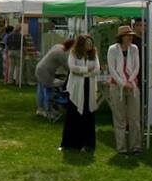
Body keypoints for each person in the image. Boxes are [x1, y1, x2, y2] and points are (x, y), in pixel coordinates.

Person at [61, 34, 100, 152]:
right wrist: (86, 70)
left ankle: (87, 143)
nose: (89, 46)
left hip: (89, 87)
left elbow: (97, 69)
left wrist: (84, 72)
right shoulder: (73, 54)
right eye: (87, 43)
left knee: (88, 114)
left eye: (91, 43)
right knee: (74, 114)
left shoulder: (93, 55)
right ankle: (71, 143)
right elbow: (72, 68)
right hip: (77, 88)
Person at [107, 26, 142, 155]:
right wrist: (122, 83)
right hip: (117, 86)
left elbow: (137, 66)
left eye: (131, 35)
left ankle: (135, 147)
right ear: (121, 37)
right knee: (119, 118)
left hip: (133, 86)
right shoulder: (113, 49)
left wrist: (130, 81)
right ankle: (121, 148)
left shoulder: (134, 49)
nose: (130, 37)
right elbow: (112, 69)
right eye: (127, 35)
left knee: (134, 118)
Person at [34, 38, 73, 117]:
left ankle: (40, 109)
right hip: (45, 72)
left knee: (41, 90)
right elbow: (68, 67)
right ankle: (48, 111)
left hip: (40, 68)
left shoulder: (58, 46)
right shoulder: (62, 54)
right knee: (48, 91)